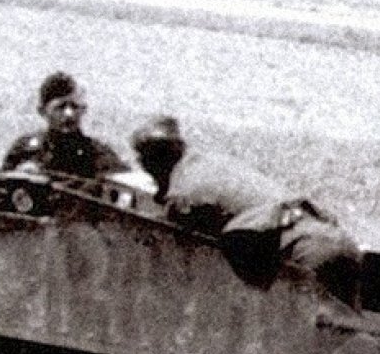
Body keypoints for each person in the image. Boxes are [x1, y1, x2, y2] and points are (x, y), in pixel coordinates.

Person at [130, 115, 362, 305]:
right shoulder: (210, 163)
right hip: (333, 239)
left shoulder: (185, 192)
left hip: (306, 255)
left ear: (152, 163)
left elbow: (173, 241)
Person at [1, 71, 128, 178]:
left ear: (83, 110)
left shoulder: (98, 154)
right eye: (60, 107)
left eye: (74, 106)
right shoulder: (25, 151)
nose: (69, 114)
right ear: (42, 111)